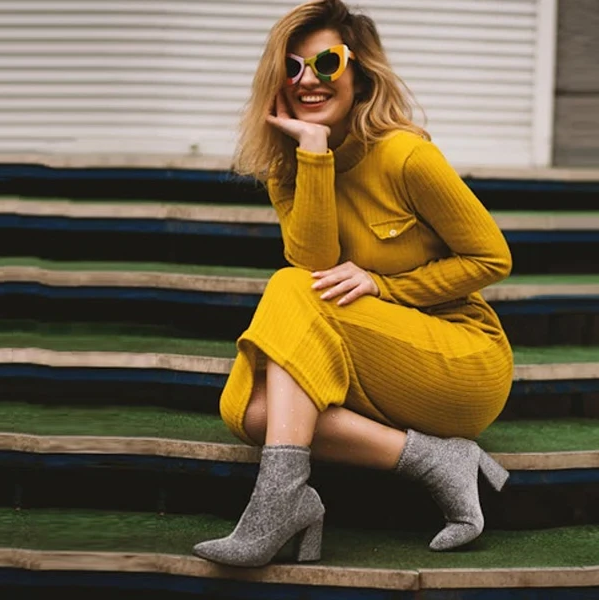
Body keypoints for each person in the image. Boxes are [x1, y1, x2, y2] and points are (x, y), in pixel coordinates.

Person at [192, 0, 514, 568]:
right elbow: (317, 260)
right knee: (248, 408)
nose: (307, 81)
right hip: (371, 357)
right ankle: (434, 460)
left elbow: (491, 258)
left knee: (291, 289)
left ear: (359, 70)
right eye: (291, 68)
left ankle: (278, 502)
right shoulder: (289, 170)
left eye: (326, 63)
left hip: (459, 360)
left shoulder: (406, 155)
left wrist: (384, 286)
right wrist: (312, 153)